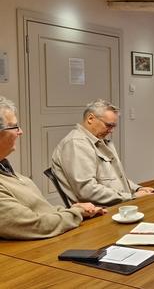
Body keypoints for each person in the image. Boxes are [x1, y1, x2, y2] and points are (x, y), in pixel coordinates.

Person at [0, 96, 106, 240]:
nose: (20, 132)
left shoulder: (6, 169)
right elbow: (33, 225)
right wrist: (77, 213)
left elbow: (43, 210)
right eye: (14, 126)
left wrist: (75, 210)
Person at [52, 99, 154, 206]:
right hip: (101, 212)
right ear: (90, 118)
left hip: (119, 203)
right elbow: (87, 191)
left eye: (114, 126)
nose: (111, 130)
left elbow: (116, 178)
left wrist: (137, 189)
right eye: (108, 125)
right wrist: (132, 197)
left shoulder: (97, 140)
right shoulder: (76, 144)